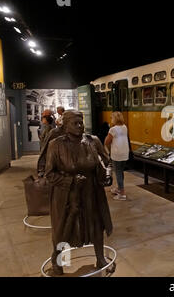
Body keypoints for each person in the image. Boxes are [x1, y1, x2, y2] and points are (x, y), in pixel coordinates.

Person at [45, 110, 113, 275]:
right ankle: (58, 262)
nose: (79, 126)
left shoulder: (93, 141)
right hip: (67, 195)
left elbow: (107, 161)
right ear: (66, 125)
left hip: (92, 192)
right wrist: (70, 181)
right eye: (75, 123)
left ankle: (100, 257)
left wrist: (106, 175)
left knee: (96, 225)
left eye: (81, 122)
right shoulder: (56, 145)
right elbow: (49, 174)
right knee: (64, 229)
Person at [104, 111, 129, 201]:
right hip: (125, 152)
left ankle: (122, 193)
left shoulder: (113, 129)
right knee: (120, 171)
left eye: (112, 118)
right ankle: (119, 188)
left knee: (118, 172)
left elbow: (107, 141)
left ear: (114, 119)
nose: (111, 119)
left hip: (117, 153)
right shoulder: (124, 127)